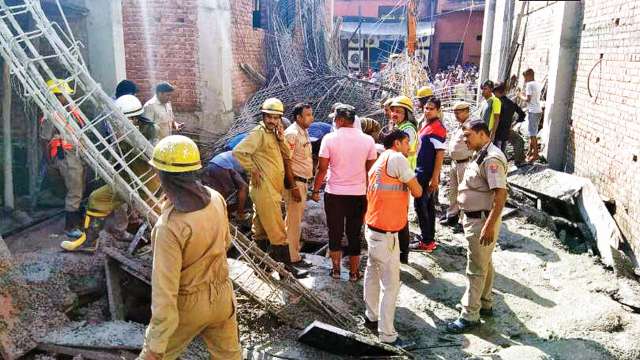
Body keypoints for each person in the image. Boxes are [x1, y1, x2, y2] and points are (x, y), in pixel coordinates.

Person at [138, 135, 241, 360]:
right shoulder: (215, 199)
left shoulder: (169, 227)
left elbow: (165, 291)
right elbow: (226, 244)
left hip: (189, 306)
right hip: (223, 296)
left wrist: (155, 345)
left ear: (162, 175)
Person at [61, 95, 161, 251]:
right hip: (125, 179)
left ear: (135, 118)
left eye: (124, 119)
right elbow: (115, 152)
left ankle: (165, 244)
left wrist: (129, 139)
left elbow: (152, 155)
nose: (119, 122)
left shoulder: (151, 129)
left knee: (157, 215)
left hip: (146, 181)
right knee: (96, 198)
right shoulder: (118, 128)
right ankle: (89, 242)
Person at [233, 98, 308, 278]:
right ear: (263, 116)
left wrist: (281, 138)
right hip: (264, 188)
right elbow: (239, 151)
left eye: (276, 117)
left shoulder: (274, 133)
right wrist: (253, 168)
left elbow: (287, 154)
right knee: (277, 229)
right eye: (269, 117)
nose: (272, 121)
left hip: (272, 188)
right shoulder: (258, 133)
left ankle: (261, 265)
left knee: (259, 228)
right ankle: (287, 269)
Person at [446, 120, 508, 334]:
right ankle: (485, 302)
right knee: (485, 262)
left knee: (475, 269)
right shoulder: (481, 152)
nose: (465, 139)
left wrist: (489, 225)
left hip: (482, 220)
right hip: (475, 218)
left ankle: (470, 314)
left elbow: (501, 194)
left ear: (482, 134)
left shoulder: (491, 159)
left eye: (469, 135)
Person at [363, 129, 422, 348]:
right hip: (386, 235)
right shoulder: (397, 158)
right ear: (397, 143)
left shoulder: (379, 162)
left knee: (371, 274)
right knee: (391, 285)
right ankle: (387, 335)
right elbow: (417, 191)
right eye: (407, 142)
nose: (409, 147)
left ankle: (371, 316)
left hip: (372, 228)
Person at [311, 104, 377, 281]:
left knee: (335, 232)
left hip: (335, 194)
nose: (333, 120)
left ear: (340, 120)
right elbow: (370, 171)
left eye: (335, 118)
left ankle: (336, 271)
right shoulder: (368, 141)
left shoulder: (329, 139)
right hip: (358, 194)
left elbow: (322, 168)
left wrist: (315, 190)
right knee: (354, 233)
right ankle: (355, 273)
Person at [39, 79, 86, 241]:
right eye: (64, 95)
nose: (67, 98)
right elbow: (44, 140)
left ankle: (78, 222)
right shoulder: (52, 114)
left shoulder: (69, 110)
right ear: (57, 96)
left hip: (75, 154)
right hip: (65, 156)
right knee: (74, 190)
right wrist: (50, 161)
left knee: (78, 188)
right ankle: (70, 227)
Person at [410, 98, 446, 253]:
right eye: (426, 108)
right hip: (421, 171)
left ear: (438, 110)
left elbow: (440, 154)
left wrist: (435, 177)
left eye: (431, 108)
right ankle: (429, 238)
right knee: (427, 207)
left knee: (421, 206)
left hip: (426, 173)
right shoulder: (427, 125)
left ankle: (426, 241)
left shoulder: (437, 127)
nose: (428, 111)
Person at [283, 103, 315, 268]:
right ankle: (292, 258)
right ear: (298, 117)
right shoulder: (292, 134)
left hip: (303, 181)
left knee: (294, 221)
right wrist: (293, 187)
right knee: (293, 222)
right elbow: (286, 162)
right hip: (296, 181)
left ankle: (292, 252)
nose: (312, 117)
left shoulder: (304, 131)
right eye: (308, 115)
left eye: (311, 114)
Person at [440, 101, 474, 234]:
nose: (456, 116)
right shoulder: (461, 125)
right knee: (453, 191)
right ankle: (452, 215)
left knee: (464, 192)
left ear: (466, 111)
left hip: (465, 163)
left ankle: (462, 220)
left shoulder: (472, 125)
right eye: (455, 113)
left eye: (458, 113)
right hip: (455, 163)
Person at [202, 151, 248, 221]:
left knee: (221, 194)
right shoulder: (249, 157)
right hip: (222, 166)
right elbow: (243, 172)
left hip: (212, 165)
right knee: (243, 187)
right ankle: (240, 214)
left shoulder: (239, 150)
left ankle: (222, 214)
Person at [493, 82, 526, 166]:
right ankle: (518, 162)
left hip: (495, 132)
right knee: (519, 141)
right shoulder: (511, 103)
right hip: (506, 131)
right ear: (504, 91)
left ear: (496, 92)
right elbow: (522, 115)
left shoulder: (495, 103)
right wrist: (514, 123)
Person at [518, 69, 543, 162]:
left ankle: (535, 154)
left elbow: (528, 99)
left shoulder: (529, 84)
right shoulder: (537, 84)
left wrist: (520, 95)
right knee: (533, 132)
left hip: (533, 111)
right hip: (538, 110)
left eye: (525, 77)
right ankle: (530, 152)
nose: (524, 80)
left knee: (532, 134)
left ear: (529, 75)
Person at [390, 96, 418, 169]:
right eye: (393, 111)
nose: (394, 114)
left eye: (398, 111)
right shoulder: (400, 126)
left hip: (405, 169)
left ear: (406, 114)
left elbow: (402, 151)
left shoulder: (408, 129)